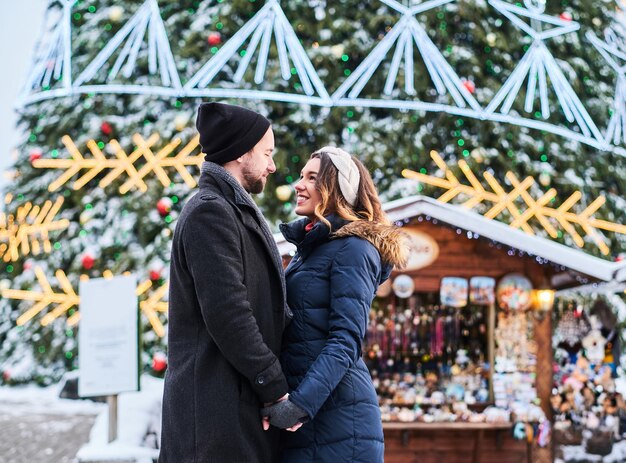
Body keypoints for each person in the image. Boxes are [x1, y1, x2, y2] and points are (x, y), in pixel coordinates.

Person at [159, 102, 291, 463]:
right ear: (241, 153)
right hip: (214, 417)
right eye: (266, 153)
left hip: (231, 408)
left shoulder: (229, 208)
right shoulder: (210, 211)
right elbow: (227, 311)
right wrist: (273, 385)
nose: (272, 165)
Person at [262, 146, 408, 462]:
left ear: (336, 189)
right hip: (312, 417)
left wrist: (299, 405)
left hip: (339, 424)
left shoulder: (354, 249)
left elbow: (346, 340)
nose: (299, 185)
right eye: (301, 176)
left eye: (312, 178)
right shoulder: (312, 250)